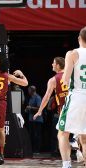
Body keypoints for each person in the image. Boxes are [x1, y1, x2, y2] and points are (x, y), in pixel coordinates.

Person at [56, 26, 86, 168]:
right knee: (84, 137)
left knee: (62, 134)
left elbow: (66, 78)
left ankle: (67, 165)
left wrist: (63, 82)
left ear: (79, 38)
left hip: (78, 96)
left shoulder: (72, 54)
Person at [33, 57, 68, 155]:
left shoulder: (53, 79)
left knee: (61, 136)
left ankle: (66, 162)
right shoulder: (72, 75)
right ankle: (78, 149)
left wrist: (40, 111)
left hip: (64, 110)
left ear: (57, 65)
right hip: (77, 107)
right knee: (81, 135)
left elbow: (47, 96)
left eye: (53, 63)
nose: (52, 65)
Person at [26, 85, 43, 153]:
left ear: (32, 90)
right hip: (31, 119)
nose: (28, 92)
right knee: (32, 135)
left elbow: (39, 108)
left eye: (29, 90)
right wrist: (27, 109)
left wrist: (30, 108)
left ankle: (37, 150)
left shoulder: (37, 98)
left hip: (37, 120)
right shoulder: (31, 98)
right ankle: (32, 149)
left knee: (37, 135)